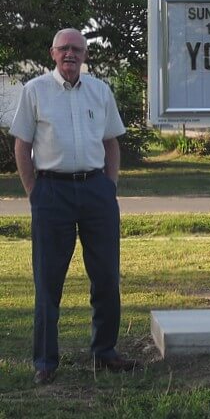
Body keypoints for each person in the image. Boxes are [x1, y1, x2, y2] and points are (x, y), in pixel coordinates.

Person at [9, 28, 138, 385]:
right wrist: (34, 191)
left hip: (96, 191)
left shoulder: (100, 90)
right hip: (52, 193)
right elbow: (22, 146)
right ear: (52, 53)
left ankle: (105, 352)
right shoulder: (35, 91)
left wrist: (109, 186)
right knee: (48, 281)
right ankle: (46, 361)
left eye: (77, 49)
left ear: (85, 54)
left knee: (107, 276)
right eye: (64, 48)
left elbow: (112, 142)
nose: (70, 54)